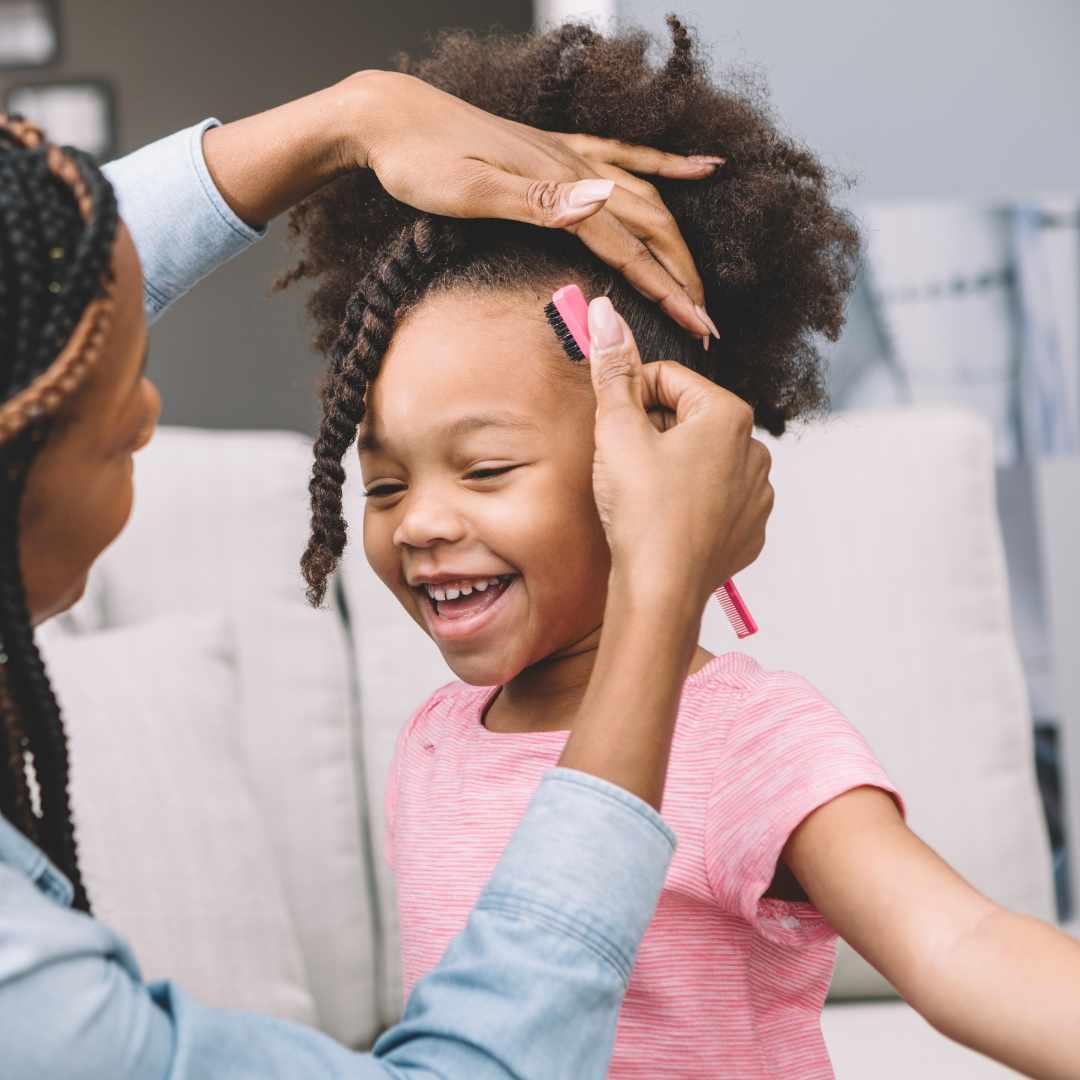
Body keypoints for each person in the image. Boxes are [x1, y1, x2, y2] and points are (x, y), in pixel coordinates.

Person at [282, 19, 1080, 1080]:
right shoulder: (436, 736)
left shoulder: (749, 739)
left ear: (649, 453)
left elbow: (960, 943)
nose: (419, 521)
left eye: (483, 471)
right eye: (383, 485)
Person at [0, 69, 775, 1078]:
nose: (148, 411)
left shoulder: (766, 741)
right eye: (112, 435)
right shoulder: (38, 1008)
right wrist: (657, 588)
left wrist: (350, 117)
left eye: (486, 468)